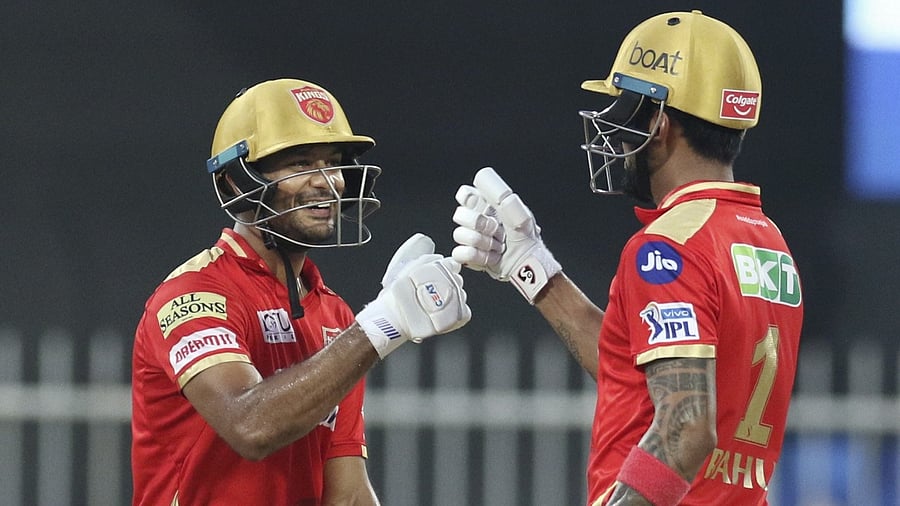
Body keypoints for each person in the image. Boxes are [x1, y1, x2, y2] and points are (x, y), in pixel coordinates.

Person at [451, 11, 802, 506]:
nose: (615, 132)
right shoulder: (766, 240)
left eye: (626, 111)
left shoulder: (668, 246)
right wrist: (532, 267)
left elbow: (686, 427)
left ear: (659, 123)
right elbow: (641, 371)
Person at [131, 78, 471, 505]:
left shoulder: (336, 316)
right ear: (238, 181)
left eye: (333, 163)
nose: (326, 182)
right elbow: (250, 426)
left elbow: (347, 495)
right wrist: (383, 324)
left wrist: (375, 326)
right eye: (300, 164)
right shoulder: (193, 297)